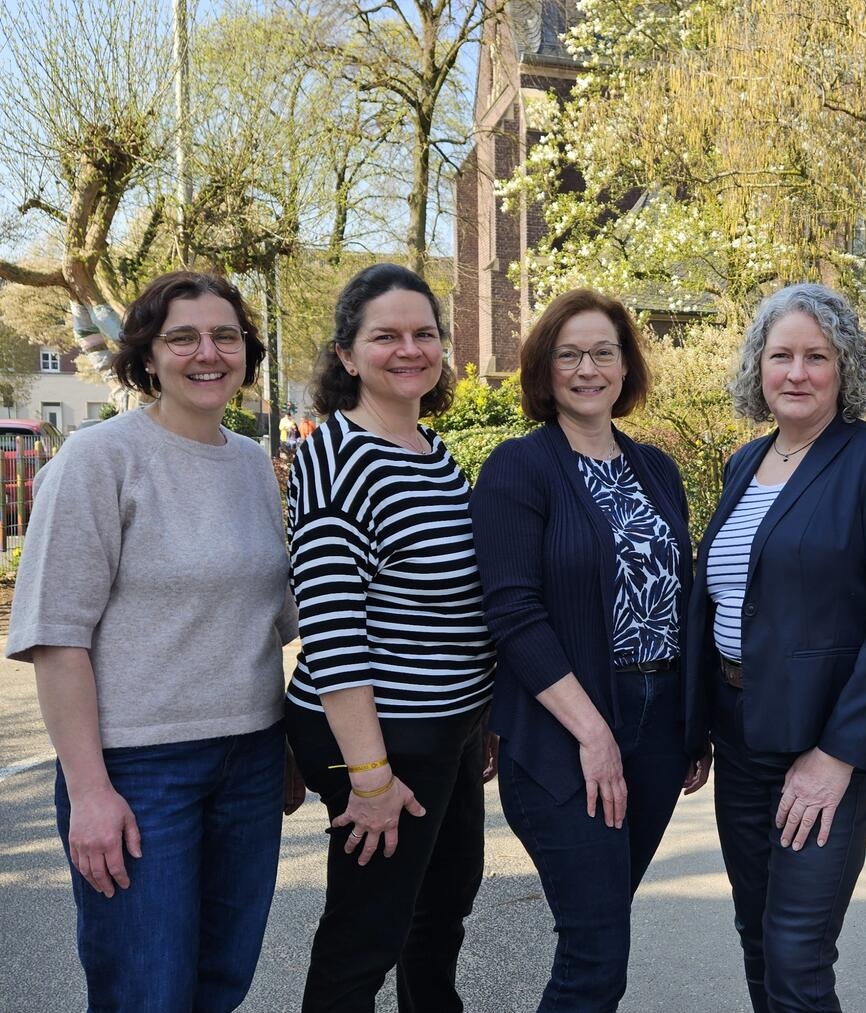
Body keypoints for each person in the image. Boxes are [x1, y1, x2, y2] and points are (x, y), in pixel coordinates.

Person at [6, 271, 298, 1011]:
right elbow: (56, 637)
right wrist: (91, 789)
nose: (209, 352)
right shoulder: (101, 458)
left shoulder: (253, 468)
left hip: (253, 760)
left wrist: (289, 743)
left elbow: (272, 618)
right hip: (138, 771)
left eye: (226, 336)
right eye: (183, 337)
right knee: (146, 990)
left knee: (220, 981)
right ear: (147, 354)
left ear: (246, 353)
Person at [685, 282, 866, 1013]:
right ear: (757, 367)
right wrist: (700, 722)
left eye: (816, 357)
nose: (796, 372)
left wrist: (835, 757)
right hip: (739, 731)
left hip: (826, 739)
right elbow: (726, 598)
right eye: (780, 355)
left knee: (797, 951)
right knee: (757, 935)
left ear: (844, 368)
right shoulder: (744, 464)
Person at [470, 289, 705, 1012]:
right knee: (595, 955)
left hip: (659, 727)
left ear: (626, 365)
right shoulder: (518, 468)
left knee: (601, 934)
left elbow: (683, 594)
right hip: (562, 733)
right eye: (569, 353)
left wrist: (691, 721)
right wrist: (594, 731)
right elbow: (512, 613)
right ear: (544, 369)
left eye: (604, 351)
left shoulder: (656, 469)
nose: (588, 368)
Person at [285, 263, 495, 1012]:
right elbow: (334, 631)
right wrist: (369, 779)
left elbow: (452, 603)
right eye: (386, 336)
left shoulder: (434, 455)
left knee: (440, 914)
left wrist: (481, 717)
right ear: (346, 355)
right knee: (365, 936)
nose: (409, 349)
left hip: (447, 729)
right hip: (379, 735)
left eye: (424, 334)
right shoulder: (336, 456)